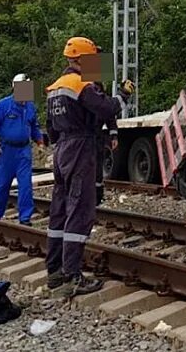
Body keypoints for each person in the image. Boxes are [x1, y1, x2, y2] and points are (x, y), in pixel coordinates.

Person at [45, 36, 132, 296]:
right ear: (82, 59)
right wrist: (124, 95)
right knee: (80, 211)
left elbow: (50, 126)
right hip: (80, 147)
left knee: (59, 211)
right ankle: (72, 276)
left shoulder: (56, 87)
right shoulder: (81, 84)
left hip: (62, 148)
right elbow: (106, 107)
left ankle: (55, 272)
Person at [0, 76, 43, 223]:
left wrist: (40, 143)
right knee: (2, 184)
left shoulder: (30, 107)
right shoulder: (4, 105)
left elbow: (34, 126)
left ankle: (25, 218)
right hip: (6, 151)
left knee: (25, 185)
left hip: (23, 150)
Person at [93, 81, 119, 207]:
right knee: (91, 168)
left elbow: (110, 117)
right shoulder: (85, 93)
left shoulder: (100, 97)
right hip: (86, 137)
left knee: (97, 168)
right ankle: (94, 197)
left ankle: (97, 197)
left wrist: (113, 135)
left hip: (95, 137)